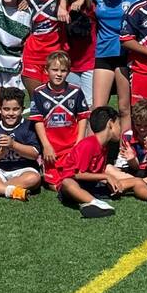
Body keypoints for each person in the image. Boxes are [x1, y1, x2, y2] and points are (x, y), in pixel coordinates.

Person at [54, 107, 147, 219]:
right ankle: (95, 203)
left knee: (136, 181)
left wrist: (110, 181)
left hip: (93, 185)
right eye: (119, 124)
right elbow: (78, 174)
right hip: (74, 187)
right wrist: (106, 177)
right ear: (110, 124)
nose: (121, 129)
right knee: (67, 182)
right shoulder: (88, 144)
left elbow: (96, 172)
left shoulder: (104, 146)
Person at [88, 0, 144, 131]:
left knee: (124, 108)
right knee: (98, 109)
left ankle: (124, 145)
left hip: (125, 55)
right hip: (103, 54)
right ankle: (96, 145)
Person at [30, 50, 91, 190]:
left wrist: (79, 143)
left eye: (63, 71)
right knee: (54, 184)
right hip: (52, 150)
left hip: (71, 147)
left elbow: (82, 117)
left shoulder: (76, 91)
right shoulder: (39, 93)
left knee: (76, 178)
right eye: (55, 70)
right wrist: (46, 146)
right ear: (46, 70)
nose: (59, 74)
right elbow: (38, 121)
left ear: (68, 72)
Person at [21, 0, 65, 97]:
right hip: (32, 55)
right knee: (36, 99)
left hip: (54, 56)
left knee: (51, 99)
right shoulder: (30, 0)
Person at [58, 0, 97, 106]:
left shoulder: (90, 3)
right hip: (68, 63)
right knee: (71, 105)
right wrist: (61, 5)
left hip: (89, 62)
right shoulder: (58, 4)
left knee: (89, 105)